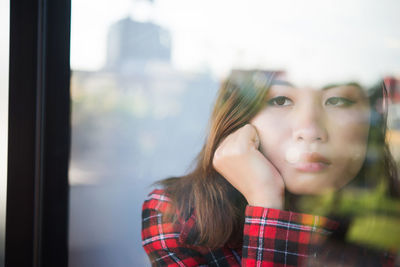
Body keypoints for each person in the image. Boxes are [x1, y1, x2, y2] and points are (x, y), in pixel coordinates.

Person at [141, 70, 399, 266]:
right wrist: (266, 201)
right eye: (280, 100)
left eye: (338, 101)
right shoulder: (177, 216)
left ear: (371, 123)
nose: (309, 130)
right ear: (240, 117)